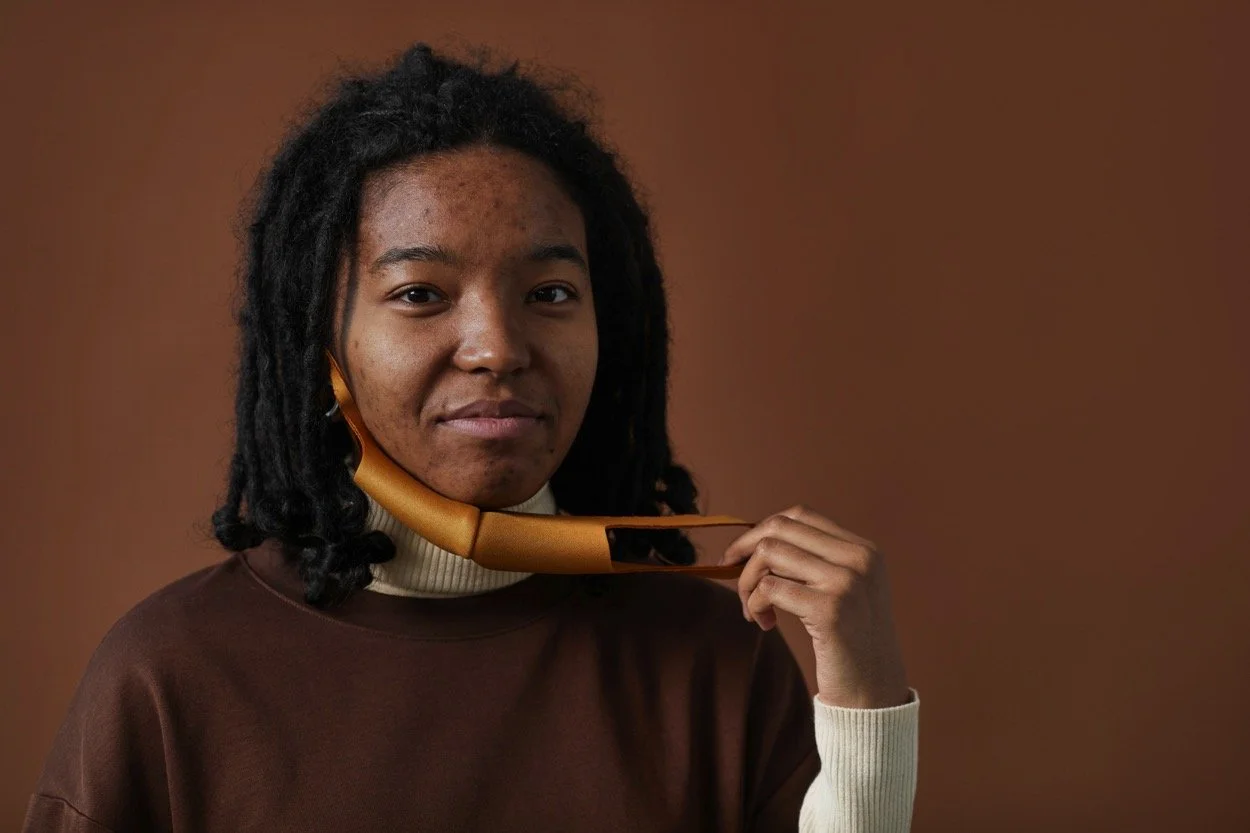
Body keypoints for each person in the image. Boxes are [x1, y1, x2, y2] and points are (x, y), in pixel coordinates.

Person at [23, 43, 919, 832]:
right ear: (321, 346)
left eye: (551, 294)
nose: (498, 348)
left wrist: (867, 705)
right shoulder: (168, 675)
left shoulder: (712, 656)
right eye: (420, 294)